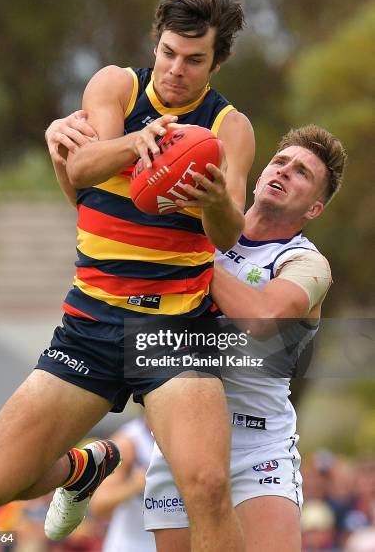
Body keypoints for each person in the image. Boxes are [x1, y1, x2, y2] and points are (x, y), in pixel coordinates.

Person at [0, 0, 255, 552]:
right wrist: (140, 141)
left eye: (194, 60)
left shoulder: (230, 129)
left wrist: (216, 196)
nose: (176, 69)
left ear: (216, 62)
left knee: (208, 486)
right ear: (157, 42)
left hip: (174, 334)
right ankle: (85, 468)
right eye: (169, 52)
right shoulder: (118, 86)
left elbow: (229, 233)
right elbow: (82, 168)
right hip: (91, 323)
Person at [142, 125, 346, 552]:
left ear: (314, 209)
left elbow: (263, 317)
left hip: (259, 448)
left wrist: (190, 256)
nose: (286, 171)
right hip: (184, 441)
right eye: (280, 162)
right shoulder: (200, 229)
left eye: (302, 173)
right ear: (259, 175)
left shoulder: (306, 263)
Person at [90, 416, 156, 552]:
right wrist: (134, 486)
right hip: (129, 545)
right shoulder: (128, 442)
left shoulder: (187, 435)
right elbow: (98, 504)